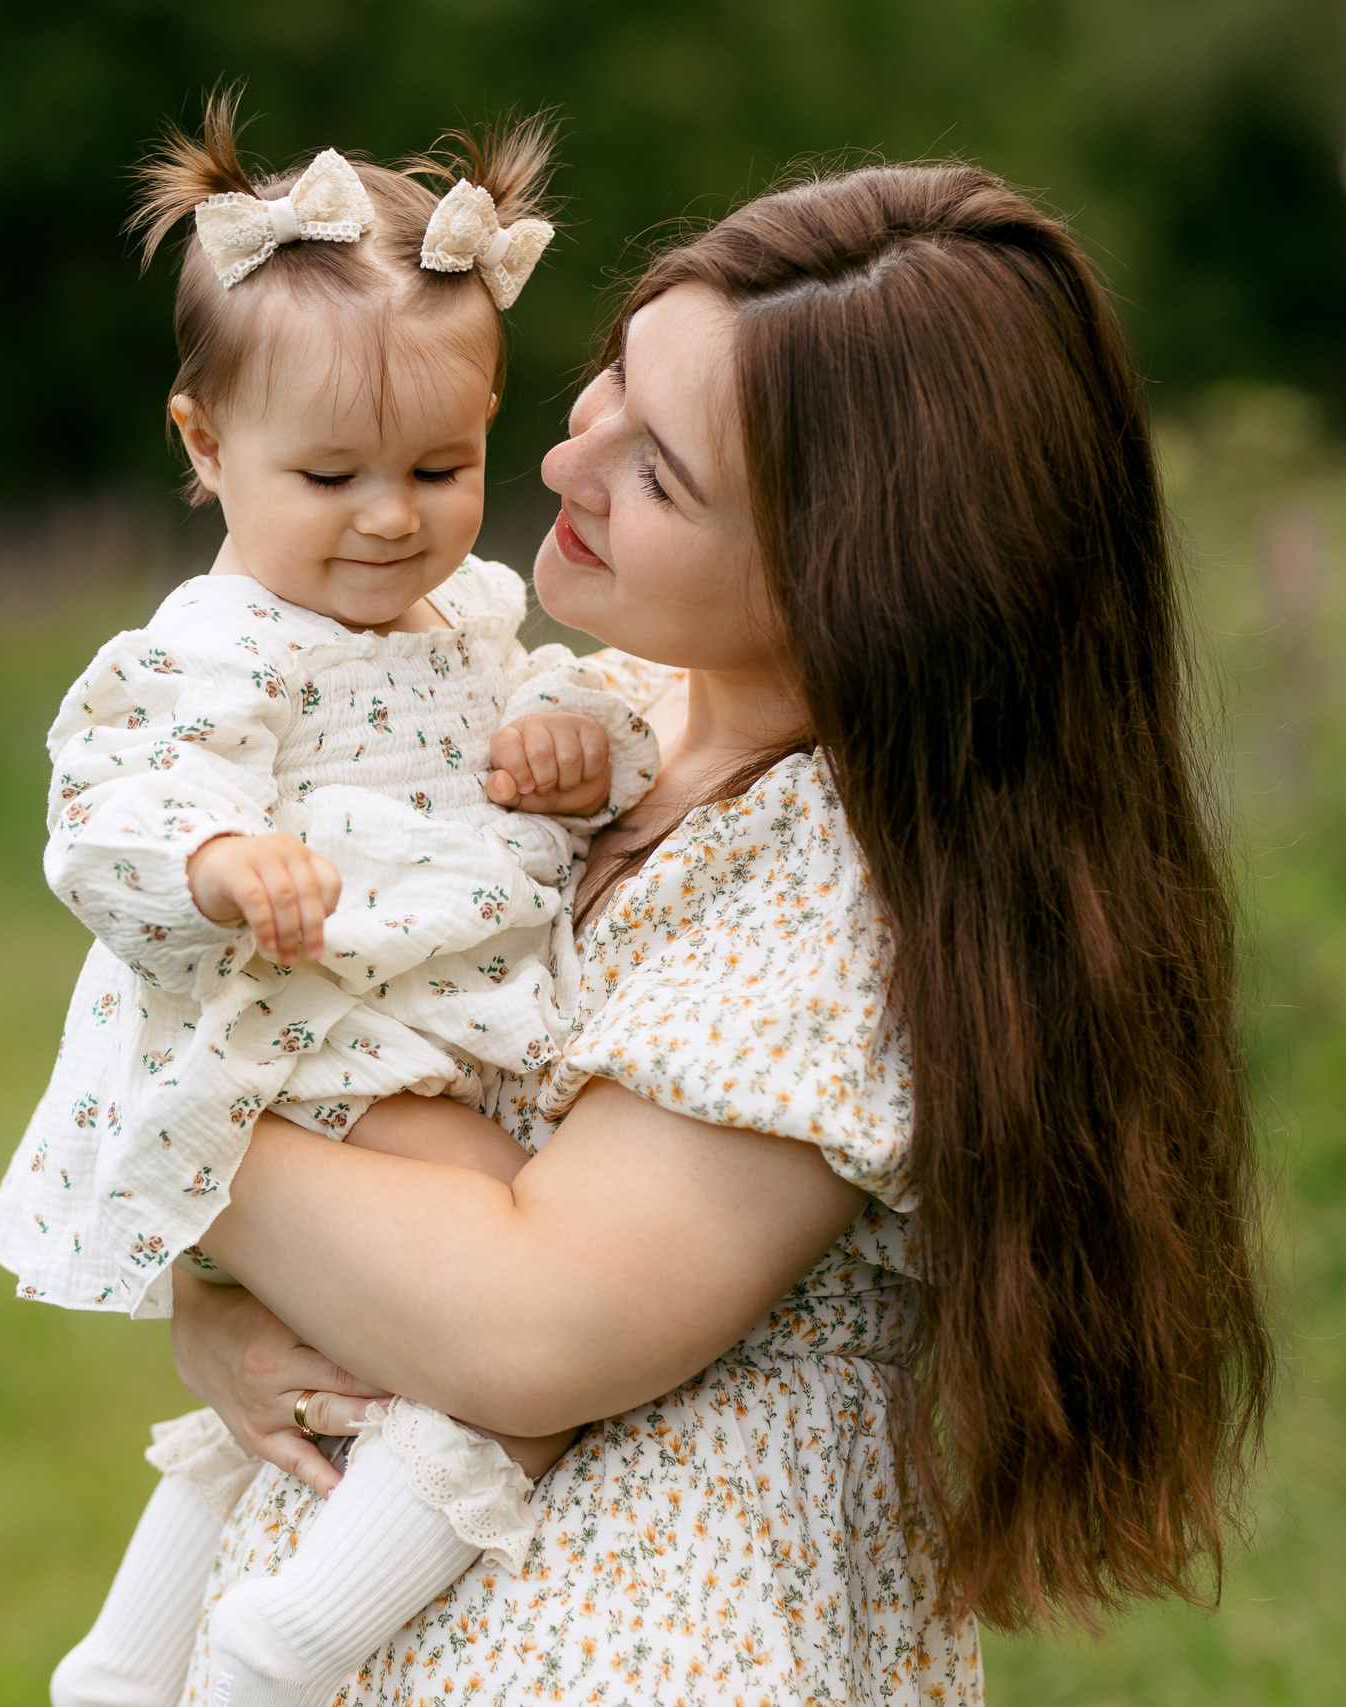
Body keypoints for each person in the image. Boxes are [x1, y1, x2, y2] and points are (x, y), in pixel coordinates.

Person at [164, 160, 1273, 1703]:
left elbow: (530, 1323)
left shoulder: (848, 878)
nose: (562, 459)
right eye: (611, 380)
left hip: (640, 1635)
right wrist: (218, 1317)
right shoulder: (585, 734)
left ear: (860, 579)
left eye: (661, 475)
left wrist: (158, 1128)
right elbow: (379, 1118)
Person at [0, 97, 664, 1707]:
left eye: (441, 465)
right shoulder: (207, 653)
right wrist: (219, 860)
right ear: (206, 449)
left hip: (426, 1029)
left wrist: (584, 741)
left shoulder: (472, 616)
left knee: (317, 1374)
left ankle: (126, 1661)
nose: (389, 515)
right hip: (328, 1047)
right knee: (521, 1358)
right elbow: (111, 817)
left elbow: (587, 713)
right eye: (331, 472)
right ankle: (288, 1649)